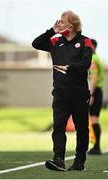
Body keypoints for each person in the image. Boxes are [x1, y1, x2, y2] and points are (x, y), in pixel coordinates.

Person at [32, 10, 92, 171]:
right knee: (58, 127)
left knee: (82, 128)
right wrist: (52, 31)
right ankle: (58, 159)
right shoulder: (55, 42)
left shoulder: (86, 42)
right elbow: (36, 44)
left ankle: (80, 161)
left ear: (71, 26)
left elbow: (86, 63)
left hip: (79, 94)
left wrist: (69, 68)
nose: (59, 23)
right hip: (60, 93)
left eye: (62, 21)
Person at [88, 39, 104, 155]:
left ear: (92, 46)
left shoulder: (93, 59)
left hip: (95, 91)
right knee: (94, 119)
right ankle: (96, 146)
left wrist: (91, 94)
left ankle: (97, 147)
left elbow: (94, 78)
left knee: (94, 119)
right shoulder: (97, 58)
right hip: (97, 91)